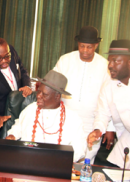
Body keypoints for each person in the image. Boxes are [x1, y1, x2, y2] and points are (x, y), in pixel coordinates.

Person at [87, 39, 130, 169]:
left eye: (116, 61)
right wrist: (97, 130)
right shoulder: (108, 86)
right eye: (110, 60)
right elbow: (102, 113)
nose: (110, 65)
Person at [53, 26, 115, 163]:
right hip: (65, 120)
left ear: (96, 45)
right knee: (61, 161)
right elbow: (52, 86)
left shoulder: (105, 66)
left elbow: (110, 99)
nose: (85, 51)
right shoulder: (65, 60)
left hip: (92, 123)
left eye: (89, 47)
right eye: (82, 46)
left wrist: (110, 128)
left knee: (85, 164)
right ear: (78, 44)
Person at [6, 70, 86, 162]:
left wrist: (60, 160)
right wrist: (12, 135)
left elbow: (79, 149)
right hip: (27, 162)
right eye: (38, 91)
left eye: (44, 94)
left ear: (57, 96)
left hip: (57, 167)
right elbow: (18, 126)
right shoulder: (30, 109)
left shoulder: (73, 119)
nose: (38, 96)